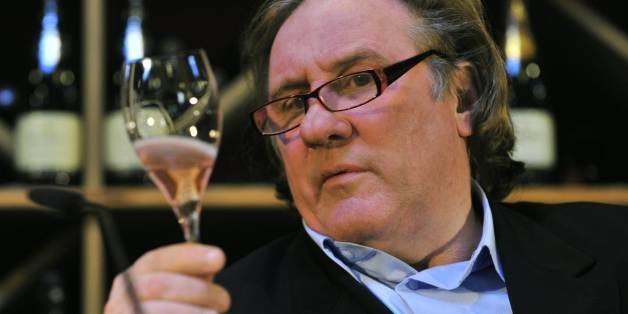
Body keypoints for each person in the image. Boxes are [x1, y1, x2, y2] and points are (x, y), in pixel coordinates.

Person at [105, 0, 628, 313]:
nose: (317, 125)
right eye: (290, 102)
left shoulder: (615, 252)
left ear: (462, 97)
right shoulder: (222, 307)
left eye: (357, 80)